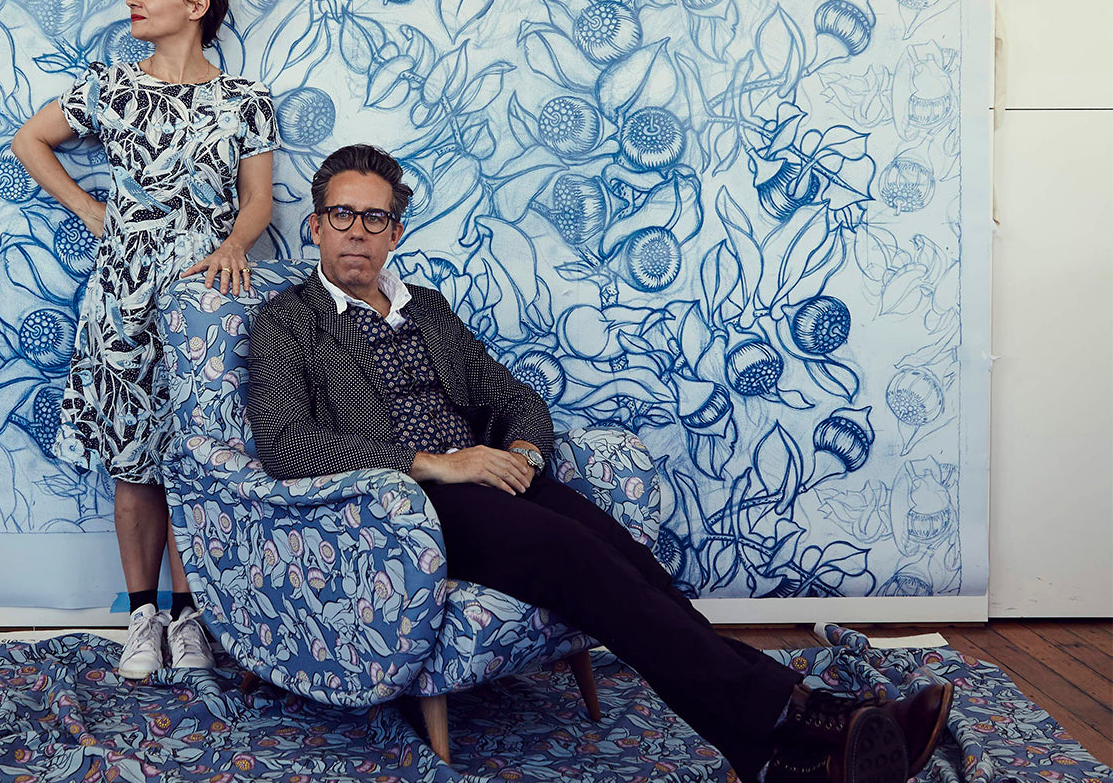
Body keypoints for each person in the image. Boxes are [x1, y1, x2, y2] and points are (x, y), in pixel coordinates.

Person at [245, 144, 950, 783]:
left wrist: (522, 450)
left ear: (395, 232)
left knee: (632, 564)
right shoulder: (288, 323)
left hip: (491, 482)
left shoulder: (425, 308)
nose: (357, 231)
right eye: (342, 215)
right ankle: (810, 716)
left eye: (374, 218)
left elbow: (510, 393)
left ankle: (774, 749)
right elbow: (285, 443)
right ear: (315, 226)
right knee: (575, 557)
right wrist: (437, 463)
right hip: (407, 508)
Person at [11, 0, 277, 679]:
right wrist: (90, 212)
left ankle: (192, 620)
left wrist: (230, 246)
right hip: (123, 296)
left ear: (197, 5)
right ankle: (141, 618)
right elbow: (29, 141)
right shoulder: (110, 86)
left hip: (206, 299)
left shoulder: (243, 101)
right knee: (134, 462)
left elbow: (257, 200)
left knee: (199, 454)